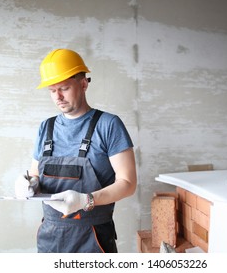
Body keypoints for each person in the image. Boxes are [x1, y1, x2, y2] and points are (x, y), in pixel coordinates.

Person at [14, 49, 137, 253]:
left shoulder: (109, 125)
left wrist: (85, 200)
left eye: (64, 88)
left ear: (83, 84)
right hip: (50, 238)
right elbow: (35, 174)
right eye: (52, 90)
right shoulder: (47, 127)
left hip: (93, 240)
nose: (58, 97)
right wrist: (29, 184)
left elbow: (128, 184)